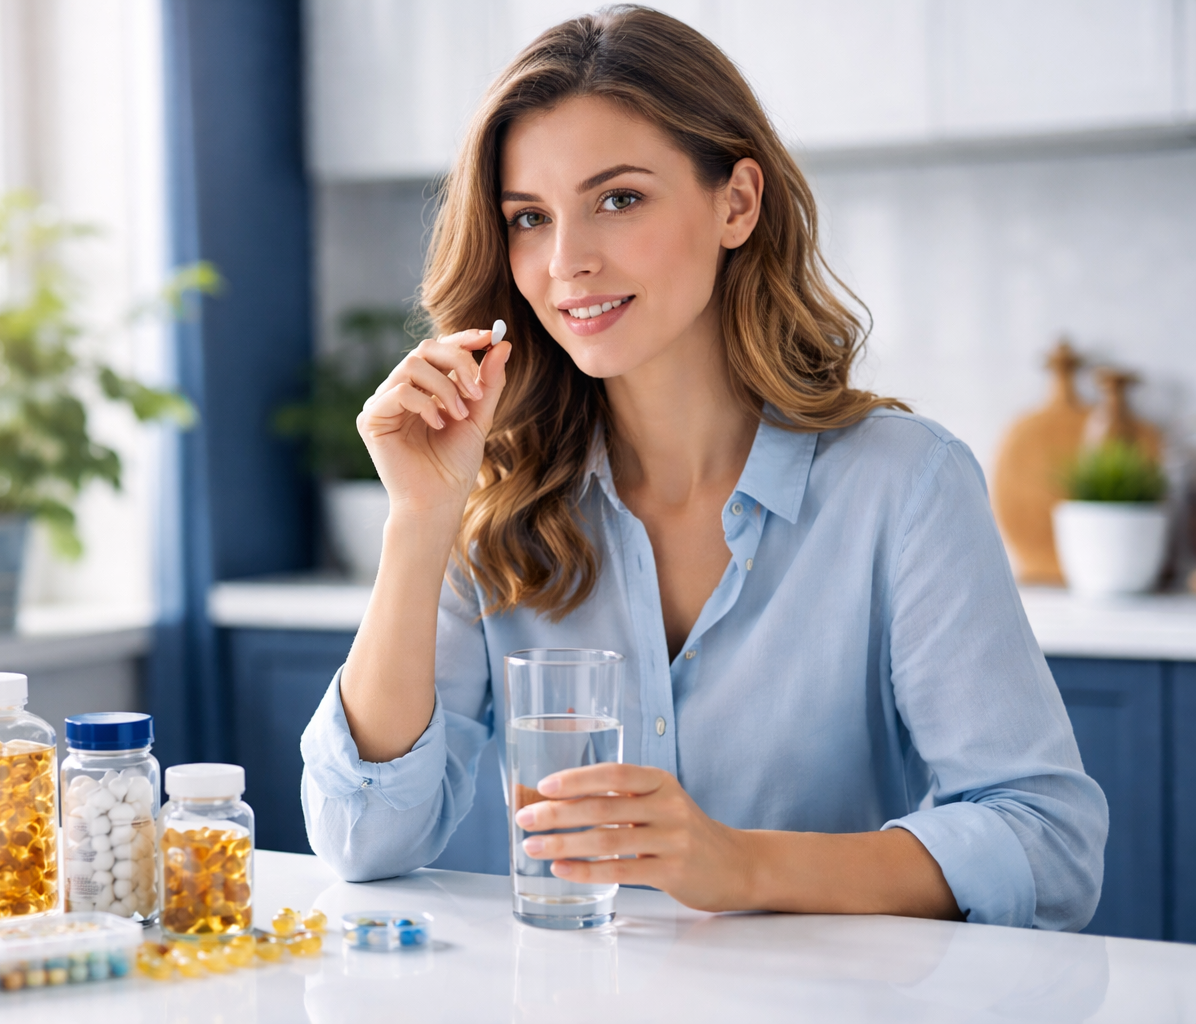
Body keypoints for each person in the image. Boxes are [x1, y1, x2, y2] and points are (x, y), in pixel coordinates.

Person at [299, 6, 1107, 930]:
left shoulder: (905, 487)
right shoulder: (493, 497)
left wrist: (740, 864)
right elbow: (361, 836)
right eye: (530, 218)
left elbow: (1048, 844)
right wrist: (418, 519)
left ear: (737, 203)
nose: (568, 263)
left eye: (619, 199)